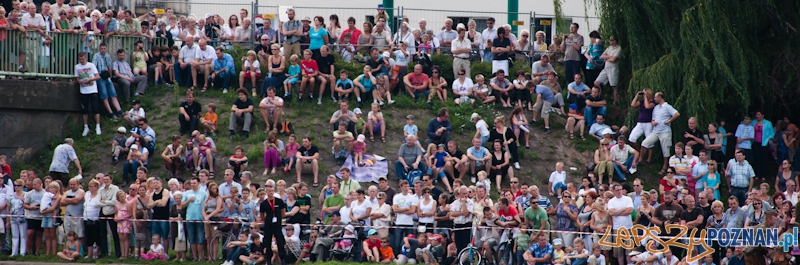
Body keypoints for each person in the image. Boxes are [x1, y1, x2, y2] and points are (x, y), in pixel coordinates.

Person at [641, 92, 680, 175]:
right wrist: (653, 122)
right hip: (655, 131)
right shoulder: (656, 108)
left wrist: (669, 120)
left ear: (660, 97)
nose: (654, 99)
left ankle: (665, 167)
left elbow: (677, 114)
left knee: (665, 150)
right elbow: (653, 119)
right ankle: (640, 160)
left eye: (655, 97)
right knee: (644, 143)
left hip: (665, 131)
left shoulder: (667, 106)